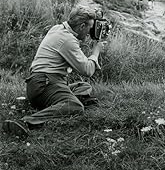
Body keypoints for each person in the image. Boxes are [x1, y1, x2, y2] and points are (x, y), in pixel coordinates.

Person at [2, 7, 105, 138]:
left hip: (40, 83)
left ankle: (61, 103)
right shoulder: (67, 40)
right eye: (89, 28)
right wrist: (96, 51)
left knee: (83, 86)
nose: (90, 32)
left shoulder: (58, 28)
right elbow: (88, 70)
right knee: (75, 106)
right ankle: (25, 122)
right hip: (43, 85)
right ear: (82, 26)